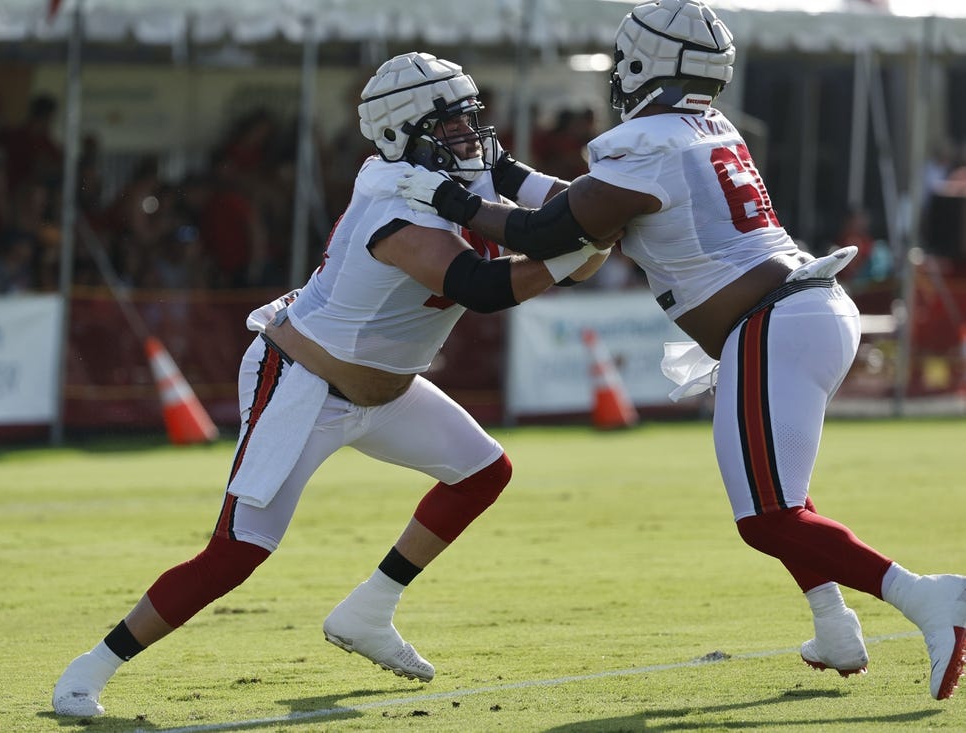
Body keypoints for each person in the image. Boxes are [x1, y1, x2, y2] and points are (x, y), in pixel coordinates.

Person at [397, 0, 966, 701]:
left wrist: (451, 200)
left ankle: (926, 597)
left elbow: (550, 233)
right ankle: (833, 623)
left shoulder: (648, 144)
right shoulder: (701, 130)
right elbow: (583, 210)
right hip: (803, 312)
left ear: (643, 63)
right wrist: (503, 172)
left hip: (775, 321)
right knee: (782, 495)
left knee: (766, 515)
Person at [52, 51, 611, 717]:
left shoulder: (455, 172)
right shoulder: (393, 202)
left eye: (469, 118)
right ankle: (91, 667)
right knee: (237, 552)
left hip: (384, 387)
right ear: (406, 132)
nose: (469, 135)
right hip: (303, 380)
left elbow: (565, 209)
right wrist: (580, 247)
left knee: (482, 471)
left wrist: (593, 216)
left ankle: (370, 608)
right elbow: (484, 288)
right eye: (451, 122)